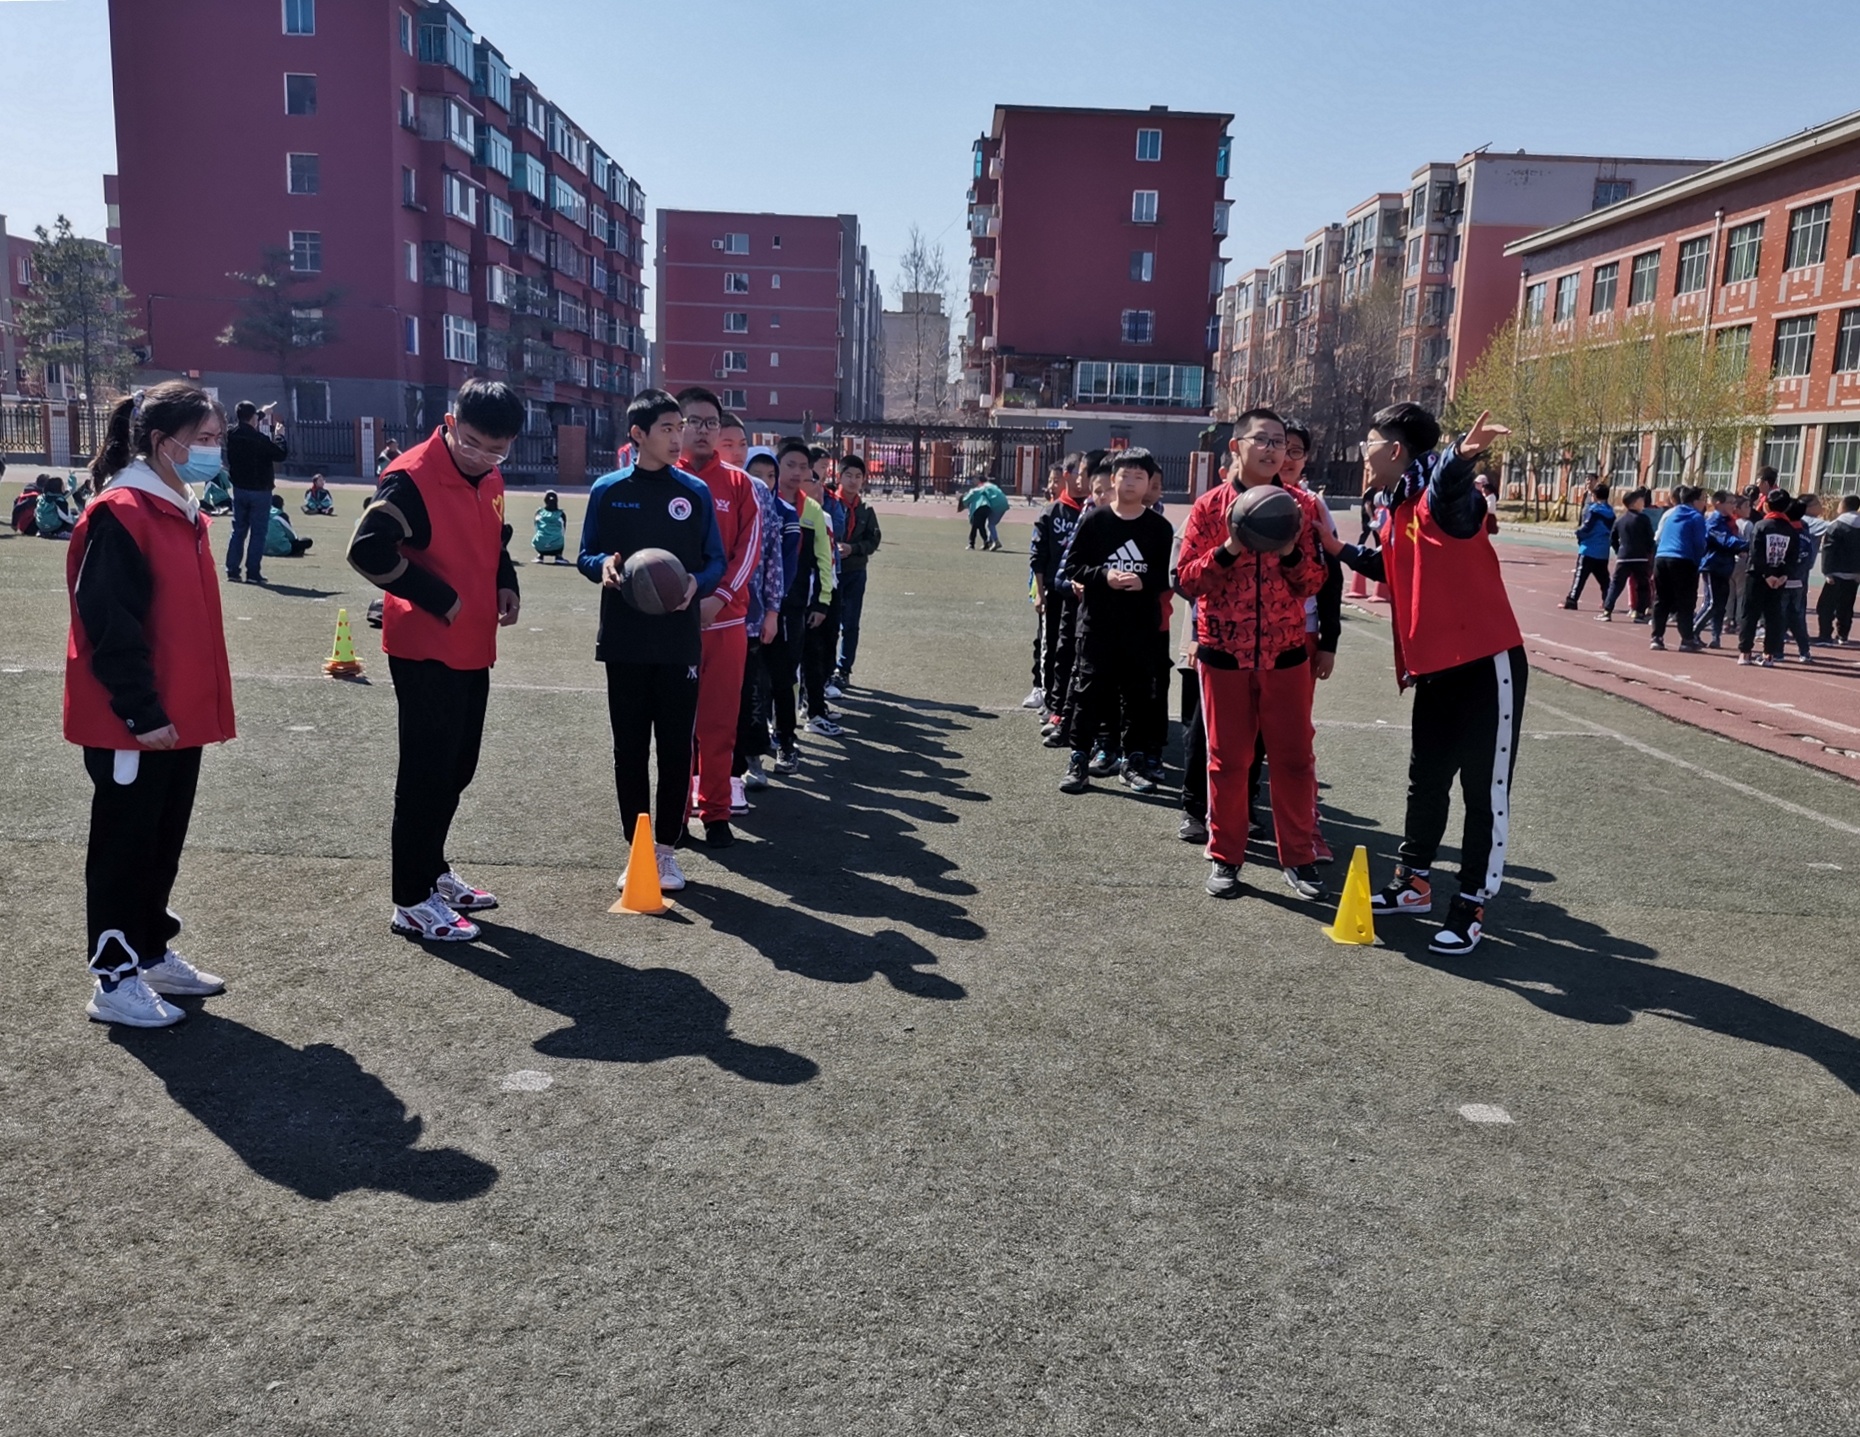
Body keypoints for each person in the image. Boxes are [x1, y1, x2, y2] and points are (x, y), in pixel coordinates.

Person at [1322, 403, 1522, 955]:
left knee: (1483, 791)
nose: (1362, 451)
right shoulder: (1395, 502)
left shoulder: (1440, 497)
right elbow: (1393, 569)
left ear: (1394, 451)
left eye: (1369, 442)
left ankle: (1472, 902)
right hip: (1435, 668)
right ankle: (1412, 881)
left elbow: (1451, 488)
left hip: (1486, 663)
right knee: (1426, 779)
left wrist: (1462, 453)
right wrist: (1335, 548)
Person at [66, 381, 234, 1027]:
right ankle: (113, 975)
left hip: (176, 714)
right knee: (124, 844)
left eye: (217, 438)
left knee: (162, 838)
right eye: (207, 440)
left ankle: (149, 949)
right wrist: (141, 711)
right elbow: (109, 626)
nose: (216, 451)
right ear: (164, 443)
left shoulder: (176, 503)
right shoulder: (123, 510)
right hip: (134, 719)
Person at [347, 378, 523, 942]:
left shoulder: (490, 473)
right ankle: (409, 900)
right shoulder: (411, 477)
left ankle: (432, 870)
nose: (483, 457)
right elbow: (366, 549)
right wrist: (439, 599)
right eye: (472, 442)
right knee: (425, 773)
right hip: (425, 647)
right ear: (449, 421)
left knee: (458, 768)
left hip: (473, 644)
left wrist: (505, 579)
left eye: (497, 449)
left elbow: (495, 535)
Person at [1175, 410, 1329, 903]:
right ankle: (1226, 856)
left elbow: (1315, 583)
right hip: (1223, 651)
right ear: (1236, 448)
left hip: (1285, 653)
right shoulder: (1208, 507)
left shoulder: (1301, 507)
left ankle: (1299, 860)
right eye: (1260, 439)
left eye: (1279, 442)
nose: (1271, 449)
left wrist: (1288, 553)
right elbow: (1186, 581)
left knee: (1294, 760)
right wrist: (1230, 548)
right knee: (1227, 761)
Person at [578, 390, 723, 892]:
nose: (677, 435)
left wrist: (694, 585)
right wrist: (606, 567)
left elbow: (715, 561)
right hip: (624, 638)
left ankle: (666, 850)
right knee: (629, 746)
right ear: (638, 435)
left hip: (678, 639)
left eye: (678, 426)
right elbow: (586, 554)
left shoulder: (694, 492)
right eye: (666, 427)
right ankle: (637, 847)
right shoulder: (607, 489)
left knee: (677, 746)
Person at [1056, 449, 1175, 796]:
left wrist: (1146, 582)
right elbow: (1073, 567)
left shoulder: (1159, 528)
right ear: (1113, 480)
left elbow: (1169, 575)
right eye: (1125, 475)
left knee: (1137, 696)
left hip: (1140, 629)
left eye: (1140, 476)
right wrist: (1104, 576)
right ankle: (1079, 760)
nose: (1132, 482)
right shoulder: (1096, 521)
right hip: (1097, 626)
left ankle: (1132, 762)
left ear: (1150, 482)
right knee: (1089, 693)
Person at [676, 386, 763, 848]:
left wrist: (720, 598)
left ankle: (715, 813)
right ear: (677, 425)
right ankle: (675, 809)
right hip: (672, 623)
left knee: (719, 722)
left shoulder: (738, 483)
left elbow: (749, 550)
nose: (703, 430)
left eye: (711, 423)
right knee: (674, 724)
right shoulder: (663, 478)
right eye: (694, 421)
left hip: (725, 621)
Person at [769, 438, 835, 768]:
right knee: (758, 678)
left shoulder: (813, 511)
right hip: (758, 609)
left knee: (786, 676)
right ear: (777, 466)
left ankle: (786, 738)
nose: (796, 473)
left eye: (803, 467)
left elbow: (824, 558)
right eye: (790, 465)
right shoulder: (761, 501)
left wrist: (822, 602)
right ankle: (762, 734)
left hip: (794, 608)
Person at [735, 446, 787, 802]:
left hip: (750, 617)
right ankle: (716, 774)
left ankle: (753, 761)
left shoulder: (761, 498)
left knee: (752, 691)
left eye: (741, 444)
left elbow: (773, 557)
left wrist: (771, 610)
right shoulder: (704, 488)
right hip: (711, 615)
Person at [1028, 455, 1088, 717]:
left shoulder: (1093, 511)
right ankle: (1050, 698)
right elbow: (1037, 557)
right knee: (1051, 645)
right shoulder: (1052, 511)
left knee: (1077, 649)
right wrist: (1039, 593)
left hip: (1085, 593)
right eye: (1080, 474)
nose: (1083, 481)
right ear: (1068, 475)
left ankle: (1069, 700)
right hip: (1055, 590)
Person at [797, 462, 846, 734]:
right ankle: (807, 713)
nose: (815, 485)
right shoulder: (788, 512)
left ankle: (814, 706)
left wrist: (827, 594)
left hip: (826, 591)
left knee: (824, 649)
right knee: (805, 657)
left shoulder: (821, 514)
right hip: (803, 597)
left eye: (814, 479)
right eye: (808, 479)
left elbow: (827, 559)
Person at [224, 399, 286, 584]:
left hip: (239, 489)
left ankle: (233, 570)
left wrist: (261, 412)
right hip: (260, 491)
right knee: (258, 533)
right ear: (253, 418)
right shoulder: (260, 440)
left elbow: (246, 422)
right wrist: (280, 436)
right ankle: (253, 572)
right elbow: (280, 455)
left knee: (238, 531)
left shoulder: (231, 434)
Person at [832, 454, 880, 692]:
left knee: (850, 623)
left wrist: (853, 549)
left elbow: (873, 541)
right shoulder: (829, 504)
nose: (853, 481)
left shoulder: (866, 511)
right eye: (848, 475)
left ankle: (844, 669)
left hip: (856, 572)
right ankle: (825, 668)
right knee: (828, 623)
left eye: (858, 476)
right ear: (839, 476)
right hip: (829, 573)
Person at [1739, 490, 1798, 667]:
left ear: (1766, 505)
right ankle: (1769, 655)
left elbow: (1755, 553)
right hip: (1778, 579)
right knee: (1773, 616)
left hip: (1758, 576)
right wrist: (1782, 575)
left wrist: (1766, 574)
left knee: (1750, 614)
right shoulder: (1791, 530)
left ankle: (1745, 653)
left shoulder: (1761, 526)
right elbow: (1793, 556)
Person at [1650, 485, 1707, 652]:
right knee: (1685, 601)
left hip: (1661, 558)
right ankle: (1686, 639)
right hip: (1682, 559)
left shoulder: (1671, 513)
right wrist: (1697, 563)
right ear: (1695, 501)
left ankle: (1657, 637)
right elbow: (1699, 543)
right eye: (1703, 500)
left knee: (1661, 599)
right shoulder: (1696, 517)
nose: (1704, 503)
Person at [1697, 490, 1748, 648]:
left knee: (1720, 604)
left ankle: (1715, 636)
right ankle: (1693, 630)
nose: (1734, 506)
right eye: (1730, 502)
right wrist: (1749, 545)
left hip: (1725, 566)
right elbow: (1726, 541)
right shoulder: (1714, 521)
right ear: (1718, 503)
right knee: (1712, 603)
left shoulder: (1729, 522)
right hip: (1713, 565)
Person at [1599, 487, 1654, 622]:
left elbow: (1613, 538)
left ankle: (1607, 610)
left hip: (1623, 557)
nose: (1643, 502)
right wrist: (1648, 551)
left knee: (1616, 584)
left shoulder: (1620, 520)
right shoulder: (1643, 519)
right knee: (1642, 586)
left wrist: (1619, 550)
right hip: (1640, 558)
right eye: (1641, 500)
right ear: (1634, 503)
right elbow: (1650, 538)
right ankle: (1640, 613)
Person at [1782, 494, 1824, 662]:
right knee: (1797, 614)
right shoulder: (1804, 527)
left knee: (1779, 614)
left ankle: (1776, 650)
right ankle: (1804, 651)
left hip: (1783, 578)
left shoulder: (1783, 528)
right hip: (1799, 577)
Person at [1815, 492, 1860, 645]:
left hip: (1836, 573)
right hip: (1854, 574)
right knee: (1846, 606)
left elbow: (1828, 550)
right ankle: (1843, 635)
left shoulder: (1836, 525)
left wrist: (1827, 571)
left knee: (1825, 606)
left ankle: (1825, 635)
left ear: (1844, 506)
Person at [1564, 478, 1613, 610]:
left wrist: (1578, 534)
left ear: (1595, 496)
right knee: (1604, 580)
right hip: (1603, 551)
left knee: (1580, 577)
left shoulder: (1594, 511)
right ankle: (1608, 601)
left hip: (1588, 549)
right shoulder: (1611, 512)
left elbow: (1587, 528)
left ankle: (1572, 600)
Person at [961, 476, 1007, 550]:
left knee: (985, 525)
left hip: (993, 506)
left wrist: (964, 499)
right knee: (985, 525)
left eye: (975, 479)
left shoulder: (983, 488)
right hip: (999, 505)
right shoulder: (991, 486)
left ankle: (992, 541)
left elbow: (972, 494)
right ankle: (988, 542)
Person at [34, 472, 79, 540]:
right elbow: (66, 517)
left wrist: (71, 477)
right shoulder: (59, 500)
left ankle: (44, 532)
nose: (64, 487)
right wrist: (77, 521)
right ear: (58, 488)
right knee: (71, 521)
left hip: (41, 526)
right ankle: (60, 532)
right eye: (62, 485)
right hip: (53, 526)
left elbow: (70, 490)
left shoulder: (42, 497)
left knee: (73, 511)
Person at [531, 490, 569, 563]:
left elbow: (536, 527)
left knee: (539, 534)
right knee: (560, 536)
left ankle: (540, 555)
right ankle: (558, 556)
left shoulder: (539, 512)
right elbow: (563, 531)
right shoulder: (561, 514)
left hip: (540, 545)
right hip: (556, 547)